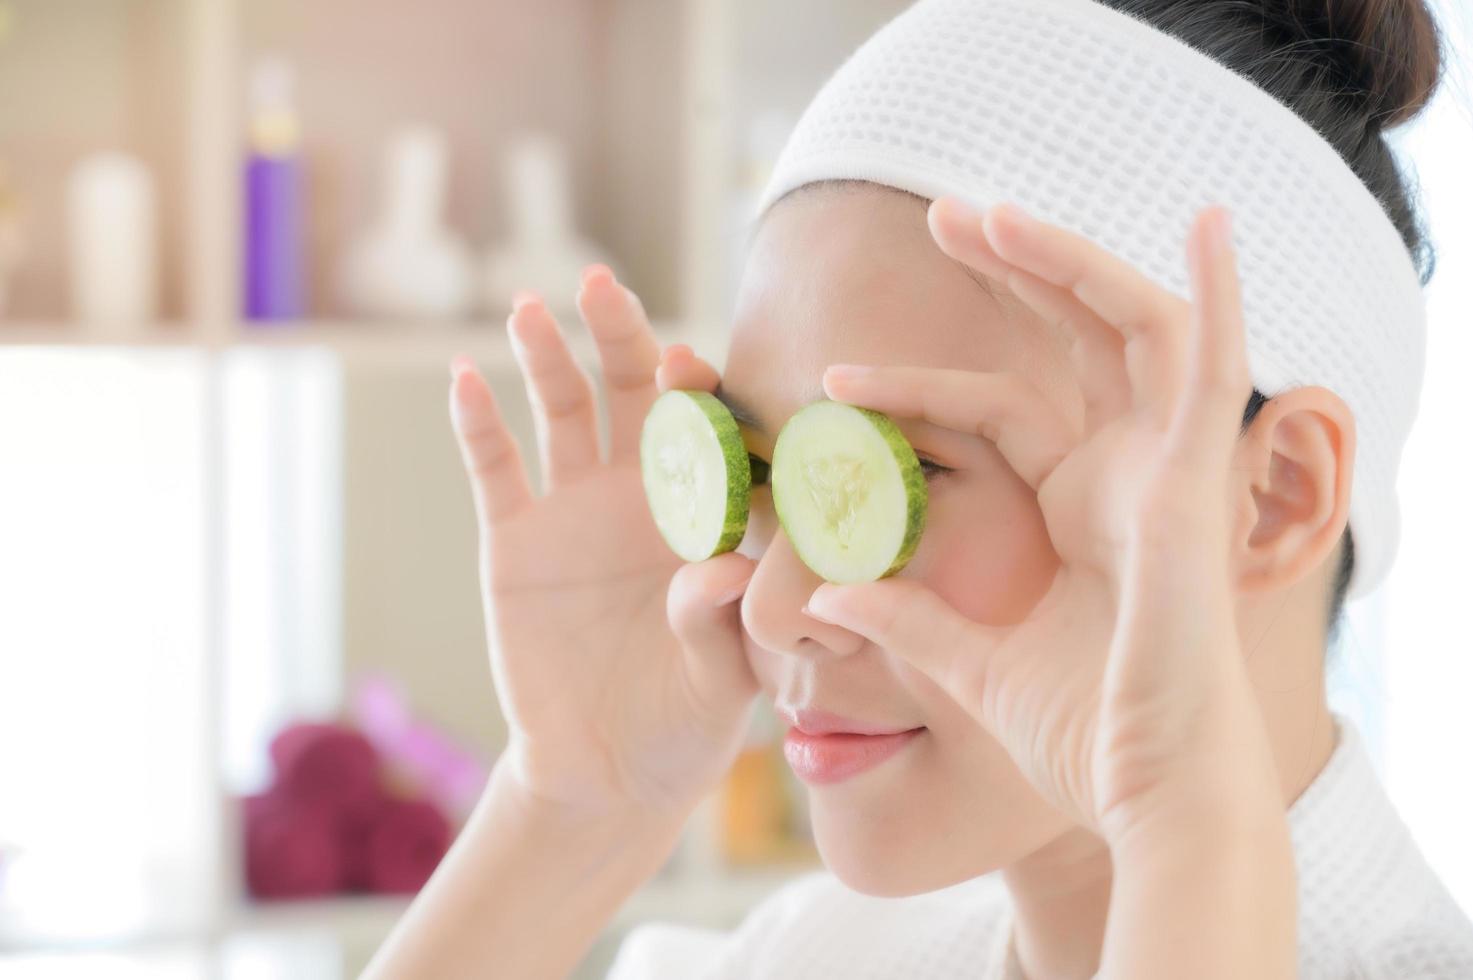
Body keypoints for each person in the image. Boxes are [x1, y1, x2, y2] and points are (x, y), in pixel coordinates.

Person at [362, 0, 1473, 977]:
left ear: (1274, 495)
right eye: (762, 469)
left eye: (916, 469)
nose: (770, 605)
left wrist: (1192, 835)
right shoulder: (821, 956)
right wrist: (569, 812)